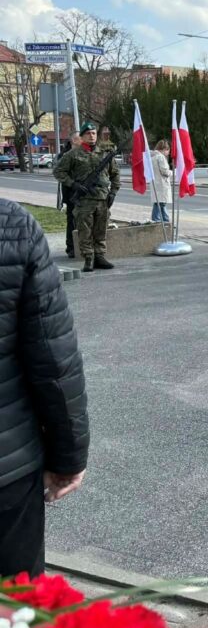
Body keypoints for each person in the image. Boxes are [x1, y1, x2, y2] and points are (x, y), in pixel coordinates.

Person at [0, 199, 89, 577]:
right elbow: (54, 360)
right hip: (8, 471)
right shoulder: (12, 225)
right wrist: (68, 457)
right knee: (14, 601)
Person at [53, 122, 120, 273]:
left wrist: (113, 192)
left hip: (102, 198)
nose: (91, 136)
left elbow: (115, 174)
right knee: (84, 231)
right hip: (84, 200)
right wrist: (73, 184)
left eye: (94, 133)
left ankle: (100, 256)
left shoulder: (105, 153)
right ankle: (88, 258)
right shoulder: (72, 154)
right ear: (82, 136)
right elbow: (58, 172)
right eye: (88, 133)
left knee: (101, 229)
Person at [60, 131, 82, 258]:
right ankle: (71, 247)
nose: (83, 140)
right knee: (72, 221)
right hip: (71, 194)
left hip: (82, 193)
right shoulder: (65, 155)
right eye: (80, 138)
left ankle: (82, 245)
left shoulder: (83, 153)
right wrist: (73, 184)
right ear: (74, 140)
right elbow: (61, 174)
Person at [150, 139, 171, 223]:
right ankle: (158, 220)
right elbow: (165, 172)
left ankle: (164, 220)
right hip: (162, 183)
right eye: (168, 150)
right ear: (164, 149)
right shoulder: (161, 157)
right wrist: (172, 172)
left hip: (155, 183)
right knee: (160, 203)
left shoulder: (152, 157)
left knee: (159, 202)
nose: (168, 153)